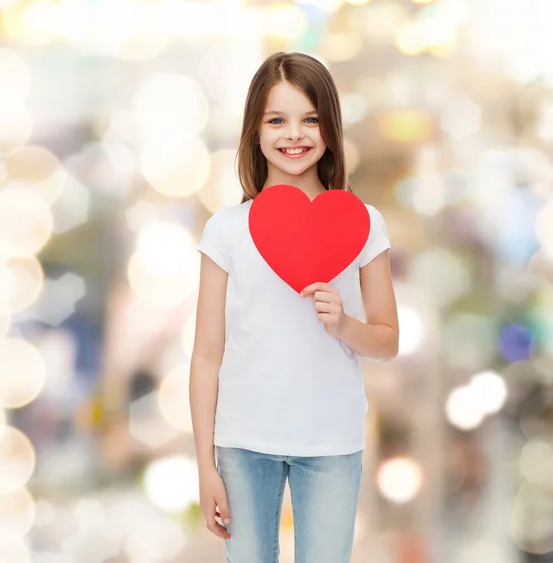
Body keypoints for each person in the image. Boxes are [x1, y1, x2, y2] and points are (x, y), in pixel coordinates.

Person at [189, 51, 399, 563]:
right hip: (243, 442)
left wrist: (343, 323)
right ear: (254, 132)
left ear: (329, 127)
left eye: (310, 119)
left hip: (331, 441)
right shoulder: (227, 230)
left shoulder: (362, 223)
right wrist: (204, 465)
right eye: (276, 120)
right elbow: (206, 354)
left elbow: (388, 340)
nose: (294, 134)